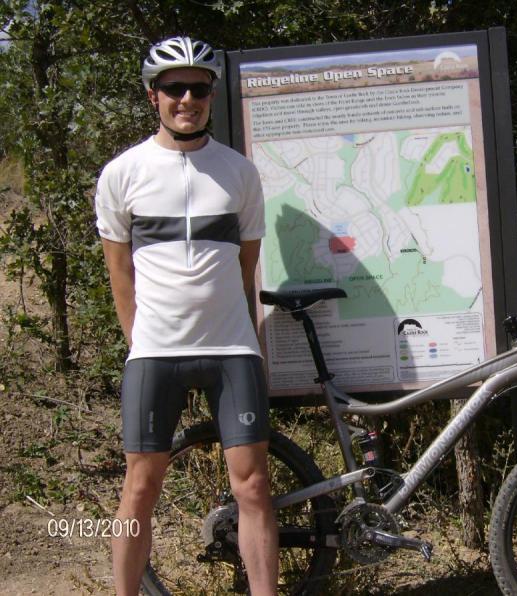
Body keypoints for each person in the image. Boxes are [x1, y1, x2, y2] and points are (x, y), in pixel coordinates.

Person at [94, 36, 278, 595]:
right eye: (174, 88)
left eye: (198, 88)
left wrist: (249, 340)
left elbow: (247, 269)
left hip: (231, 349)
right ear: (154, 96)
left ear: (211, 96)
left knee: (252, 486)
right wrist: (138, 342)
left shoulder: (239, 172)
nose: (187, 99)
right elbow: (119, 274)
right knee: (140, 487)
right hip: (156, 351)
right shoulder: (122, 174)